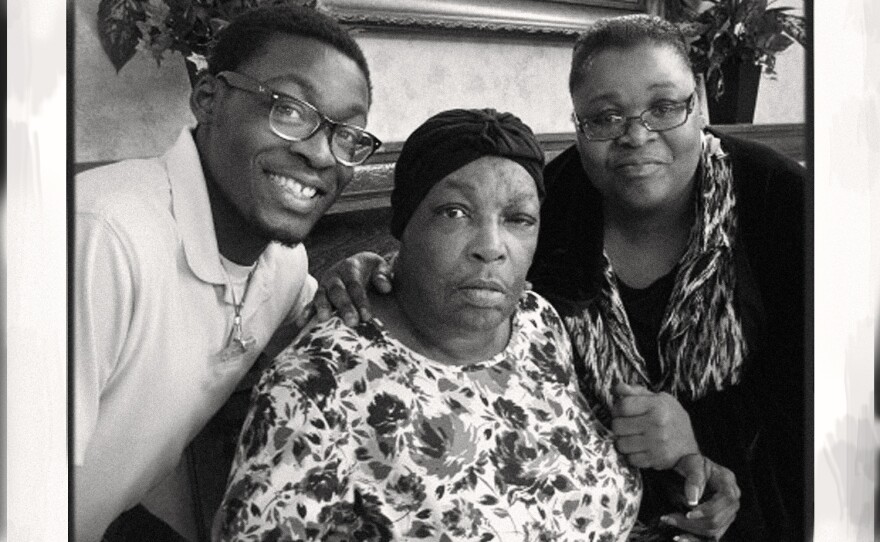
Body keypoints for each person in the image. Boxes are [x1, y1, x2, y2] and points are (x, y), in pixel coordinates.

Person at [316, 14, 806, 541]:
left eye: (663, 107)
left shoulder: (775, 198)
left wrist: (701, 432)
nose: (636, 135)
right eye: (605, 116)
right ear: (578, 125)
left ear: (700, 107)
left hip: (763, 506)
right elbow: (475, 261)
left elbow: (819, 382)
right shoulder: (550, 207)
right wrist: (375, 269)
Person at [214, 108, 741, 542]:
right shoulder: (317, 388)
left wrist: (684, 475)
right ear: (405, 228)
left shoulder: (537, 324)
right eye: (454, 213)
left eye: (518, 219)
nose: (492, 247)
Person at [73, 5, 381, 541]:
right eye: (288, 110)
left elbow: (317, 328)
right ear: (209, 99)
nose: (319, 154)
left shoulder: (284, 266)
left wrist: (359, 275)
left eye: (348, 135)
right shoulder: (101, 238)